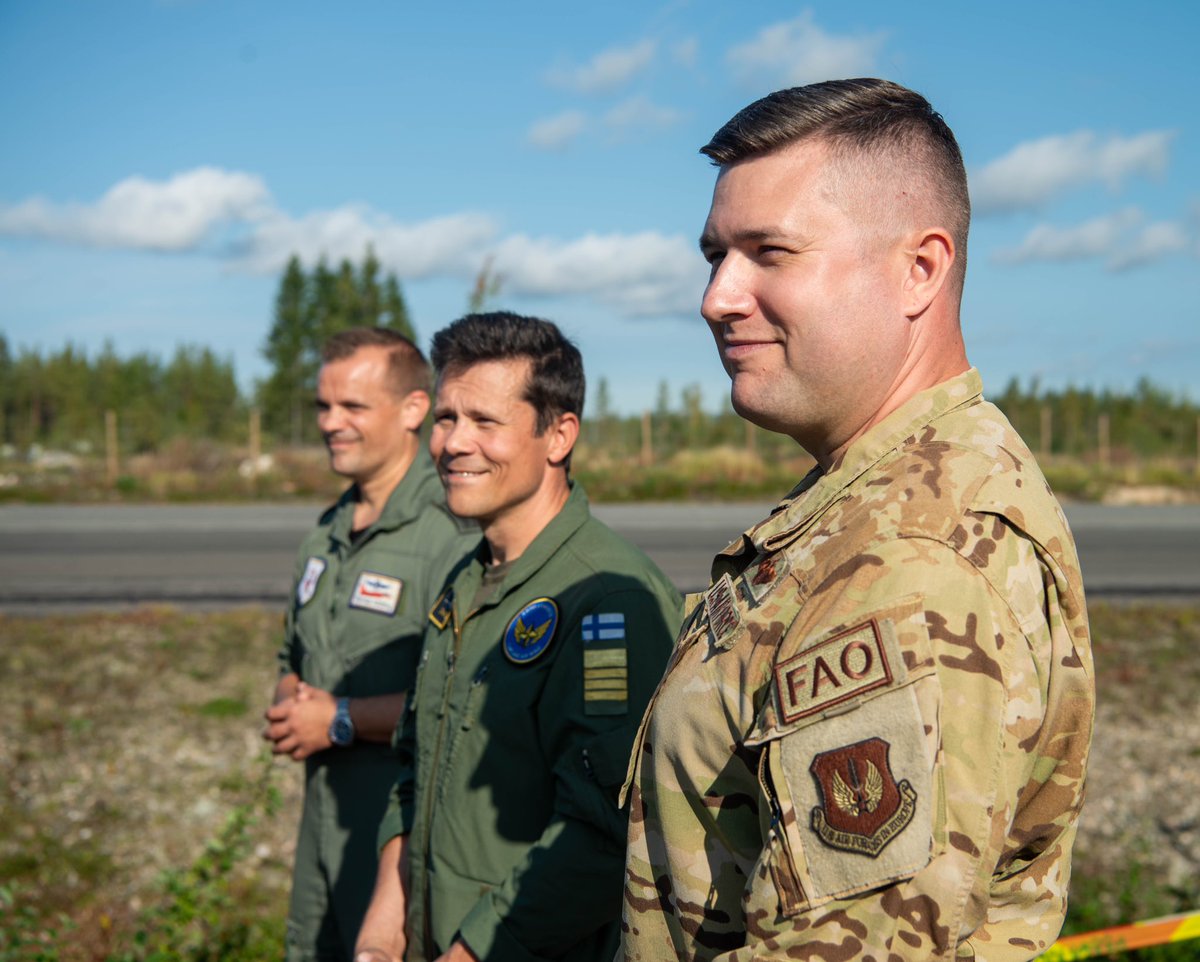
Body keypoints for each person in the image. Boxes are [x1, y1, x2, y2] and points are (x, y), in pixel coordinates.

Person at [621, 79, 1095, 961]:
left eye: (770, 252)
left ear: (920, 268)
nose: (717, 297)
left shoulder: (910, 563)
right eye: (716, 254)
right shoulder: (865, 497)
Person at [354, 312, 682, 962]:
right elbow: (416, 766)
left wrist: (469, 953)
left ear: (558, 435)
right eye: (446, 418)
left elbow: (600, 835)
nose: (452, 443)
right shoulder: (465, 581)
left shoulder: (607, 599)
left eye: (484, 422)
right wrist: (380, 935)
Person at [265, 327, 476, 962]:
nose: (332, 423)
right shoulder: (329, 529)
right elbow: (291, 654)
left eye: (352, 407)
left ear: (414, 409)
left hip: (400, 837)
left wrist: (341, 718)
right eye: (324, 407)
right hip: (322, 826)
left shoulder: (453, 532)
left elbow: (468, 697)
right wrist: (289, 699)